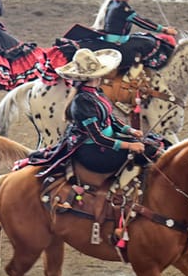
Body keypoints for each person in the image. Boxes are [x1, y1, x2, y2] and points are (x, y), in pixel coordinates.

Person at [20, 48, 148, 180]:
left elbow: (111, 119)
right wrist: (130, 145)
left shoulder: (96, 92)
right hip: (94, 151)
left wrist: (130, 130)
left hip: (106, 142)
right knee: (144, 152)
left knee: (150, 144)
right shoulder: (82, 102)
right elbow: (98, 137)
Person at [91, 0, 177, 70]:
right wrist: (164, 30)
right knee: (150, 43)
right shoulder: (122, 8)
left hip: (114, 41)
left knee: (145, 38)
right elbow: (141, 21)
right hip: (118, 44)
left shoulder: (112, 3)